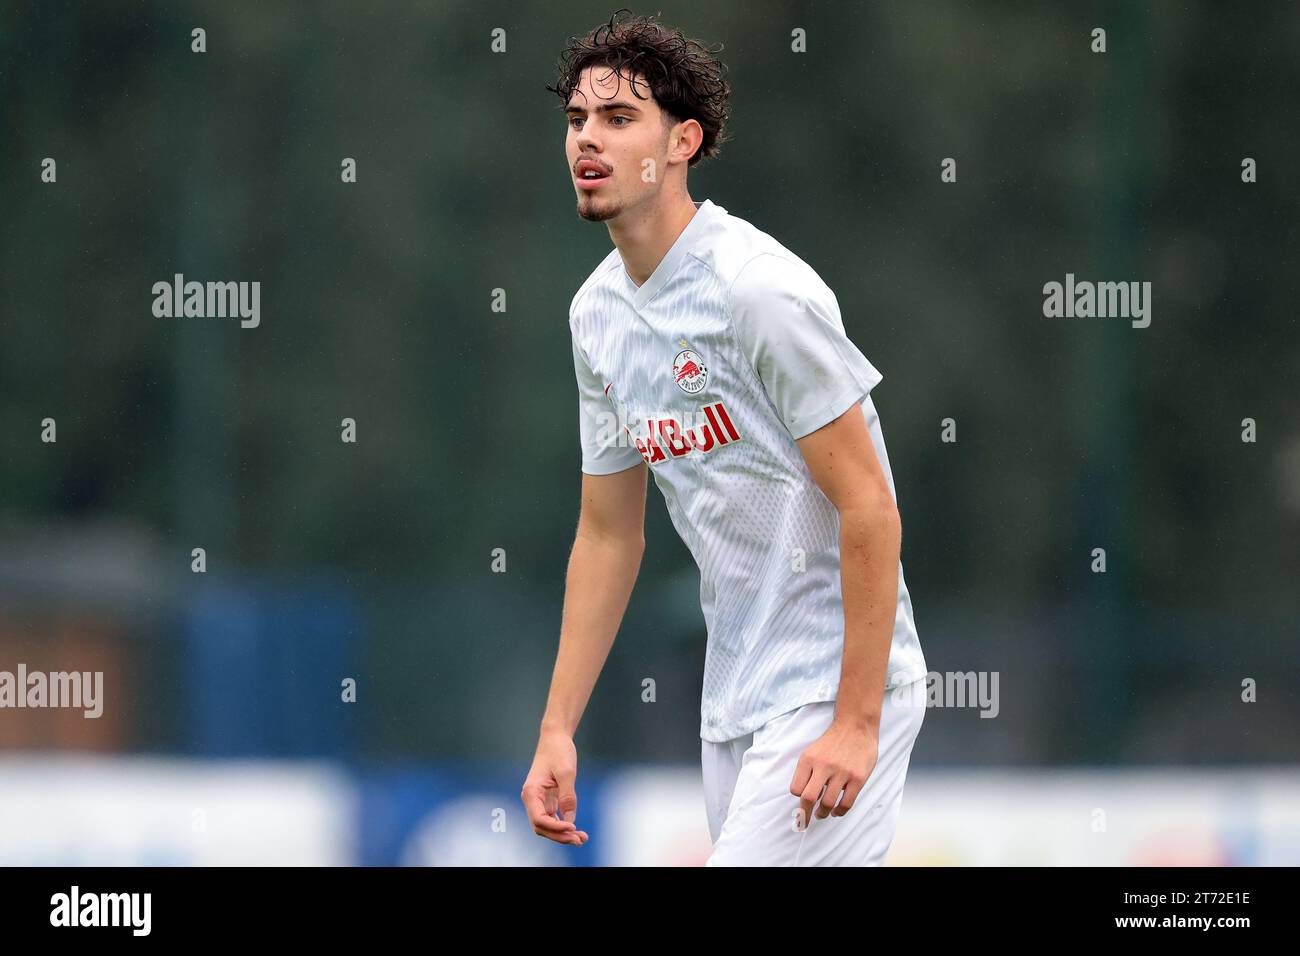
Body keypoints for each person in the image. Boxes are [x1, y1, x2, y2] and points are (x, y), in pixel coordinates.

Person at [521, 10, 928, 866]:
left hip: (835, 686)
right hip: (735, 696)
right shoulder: (594, 315)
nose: (587, 139)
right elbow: (607, 533)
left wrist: (857, 722)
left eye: (619, 118)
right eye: (576, 120)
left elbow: (870, 507)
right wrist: (558, 727)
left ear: (682, 143)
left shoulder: (757, 291)